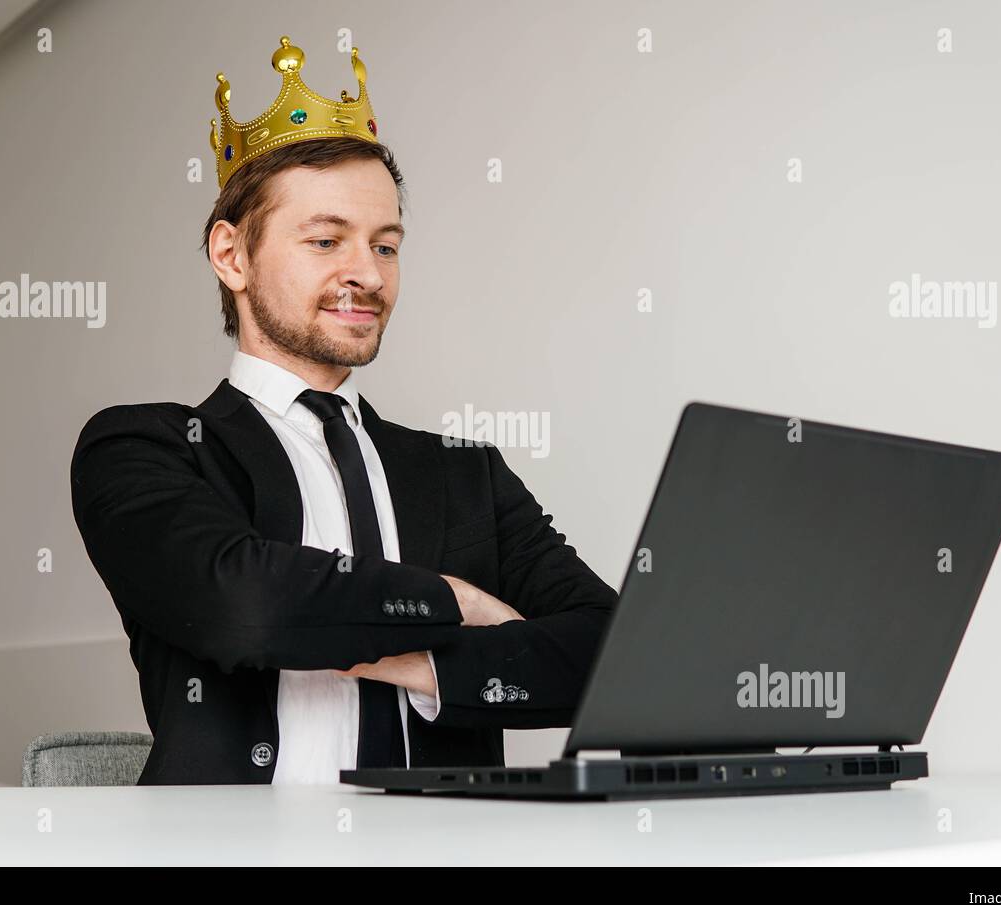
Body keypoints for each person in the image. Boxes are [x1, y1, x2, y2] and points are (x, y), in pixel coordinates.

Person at [69, 36, 617, 785]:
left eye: (386, 247)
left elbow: (606, 654)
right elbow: (242, 606)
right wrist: (451, 599)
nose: (365, 273)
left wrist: (419, 658)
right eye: (326, 240)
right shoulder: (146, 446)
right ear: (231, 255)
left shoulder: (464, 475)